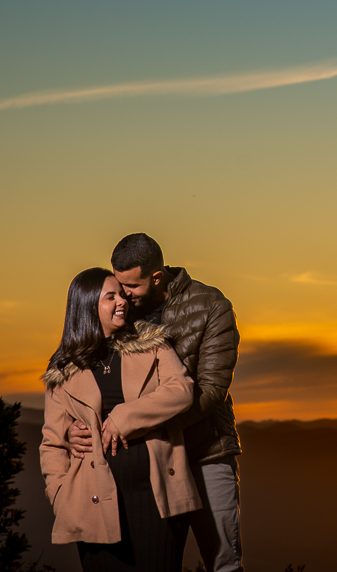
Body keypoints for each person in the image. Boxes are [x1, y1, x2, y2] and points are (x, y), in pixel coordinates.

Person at [68, 234, 244, 572]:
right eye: (118, 287)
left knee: (223, 563)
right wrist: (77, 428)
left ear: (157, 277)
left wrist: (139, 425)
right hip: (147, 464)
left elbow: (211, 391)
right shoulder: (123, 315)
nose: (123, 295)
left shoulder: (212, 306)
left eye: (130, 286)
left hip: (205, 454)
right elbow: (97, 377)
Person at [41, 267, 203, 571]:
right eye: (110, 297)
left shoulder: (152, 344)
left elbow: (182, 390)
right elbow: (52, 444)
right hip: (92, 502)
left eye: (122, 295)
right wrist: (62, 496)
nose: (122, 302)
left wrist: (123, 417)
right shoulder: (63, 369)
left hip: (156, 498)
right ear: (88, 305)